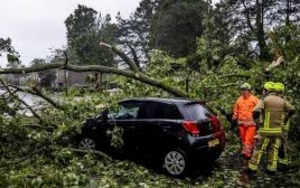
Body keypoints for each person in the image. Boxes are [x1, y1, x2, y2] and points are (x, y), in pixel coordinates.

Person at [247, 82, 295, 174]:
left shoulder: (264, 99)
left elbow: (256, 111)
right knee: (273, 150)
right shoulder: (282, 100)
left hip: (264, 131)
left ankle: (252, 169)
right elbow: (292, 109)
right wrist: (285, 118)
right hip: (277, 131)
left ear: (266, 90)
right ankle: (271, 170)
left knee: (258, 149)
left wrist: (258, 123)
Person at [232, 83, 259, 159]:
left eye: (245, 90)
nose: (243, 92)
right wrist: (234, 119)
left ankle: (247, 154)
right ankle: (246, 151)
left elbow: (259, 110)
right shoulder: (239, 99)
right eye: (242, 90)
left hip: (251, 123)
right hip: (241, 123)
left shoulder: (254, 99)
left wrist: (258, 120)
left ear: (249, 91)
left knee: (249, 139)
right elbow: (236, 110)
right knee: (243, 139)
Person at [274, 82, 293, 168]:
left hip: (283, 127)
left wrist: (285, 118)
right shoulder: (280, 100)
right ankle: (278, 161)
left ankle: (283, 163)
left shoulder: (284, 101)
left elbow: (291, 111)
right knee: (277, 144)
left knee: (282, 144)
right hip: (278, 126)